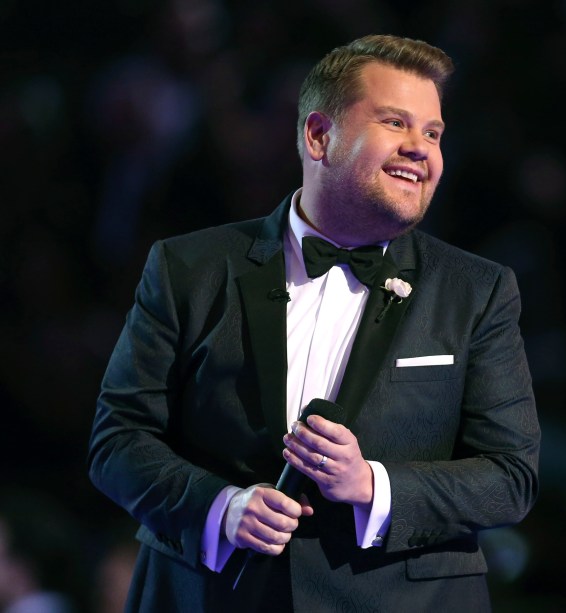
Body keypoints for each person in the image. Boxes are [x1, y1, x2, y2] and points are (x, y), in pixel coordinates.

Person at [88, 34, 540, 612]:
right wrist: (221, 508)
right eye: (396, 123)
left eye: (432, 132)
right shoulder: (188, 268)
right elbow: (117, 441)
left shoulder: (476, 290)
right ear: (319, 135)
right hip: (212, 597)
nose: (420, 149)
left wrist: (372, 484)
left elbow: (510, 477)